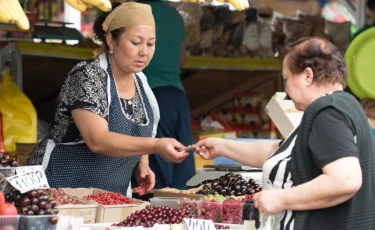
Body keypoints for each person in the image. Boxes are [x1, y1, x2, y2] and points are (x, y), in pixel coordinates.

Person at [194, 37, 375, 230]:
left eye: (287, 79)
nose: (286, 89)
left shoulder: (327, 112)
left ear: (307, 76)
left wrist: (280, 199)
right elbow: (283, 153)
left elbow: (346, 179)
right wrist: (222, 147)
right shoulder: (345, 105)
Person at [26, 2, 190, 196]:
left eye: (150, 44)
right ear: (111, 40)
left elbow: (141, 131)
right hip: (58, 190)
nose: (144, 52)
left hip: (111, 197)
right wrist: (156, 146)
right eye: (136, 43)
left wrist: (143, 164)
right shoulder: (88, 76)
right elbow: (98, 140)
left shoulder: (141, 82)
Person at [137, 0, 196, 190]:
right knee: (183, 171)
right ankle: (184, 216)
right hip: (178, 97)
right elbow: (182, 60)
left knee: (157, 181)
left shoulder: (134, 13)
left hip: (152, 96)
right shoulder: (175, 15)